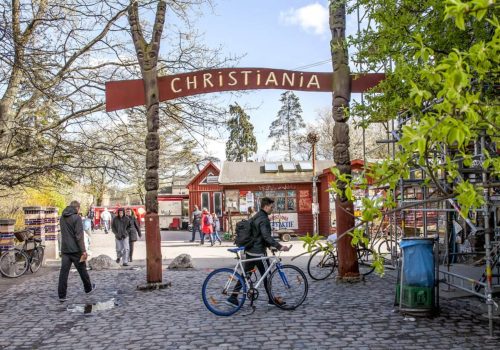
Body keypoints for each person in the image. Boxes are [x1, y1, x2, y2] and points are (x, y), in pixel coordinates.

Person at [227, 197, 290, 307]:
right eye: (271, 207)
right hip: (259, 253)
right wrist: (279, 246)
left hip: (250, 250)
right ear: (266, 206)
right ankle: (271, 299)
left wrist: (270, 246)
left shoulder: (256, 216)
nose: (272, 209)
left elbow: (258, 235)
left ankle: (233, 297)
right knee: (267, 275)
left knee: (246, 275)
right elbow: (266, 236)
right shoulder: (264, 219)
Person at [58, 200, 95, 302]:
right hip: (75, 250)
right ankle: (88, 289)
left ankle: (62, 295)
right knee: (82, 270)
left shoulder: (62, 218)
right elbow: (79, 236)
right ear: (77, 208)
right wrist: (83, 250)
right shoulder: (76, 218)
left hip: (65, 249)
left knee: (63, 273)